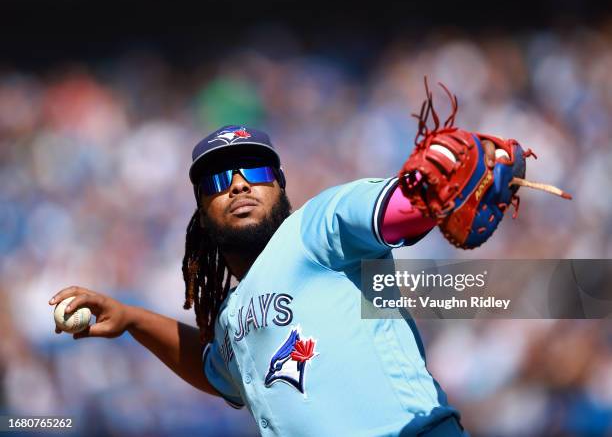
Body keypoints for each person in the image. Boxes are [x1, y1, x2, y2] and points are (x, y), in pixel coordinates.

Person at [50, 125, 495, 436]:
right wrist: (131, 319)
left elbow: (398, 211)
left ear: (281, 186)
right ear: (201, 213)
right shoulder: (228, 318)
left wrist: (427, 198)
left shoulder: (317, 228)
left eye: (257, 172)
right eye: (221, 179)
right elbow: (215, 372)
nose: (240, 185)